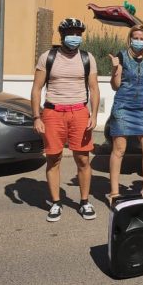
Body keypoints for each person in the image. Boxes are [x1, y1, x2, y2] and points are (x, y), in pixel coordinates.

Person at [31, 18, 100, 223]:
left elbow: (94, 88)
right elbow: (36, 88)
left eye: (78, 33)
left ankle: (84, 201)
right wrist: (37, 116)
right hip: (53, 113)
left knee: (83, 159)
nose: (74, 37)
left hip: (79, 112)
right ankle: (55, 203)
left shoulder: (88, 58)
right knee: (53, 158)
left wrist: (94, 115)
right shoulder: (48, 57)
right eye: (71, 33)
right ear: (62, 35)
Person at [107, 25, 143, 205]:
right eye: (135, 37)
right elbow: (115, 85)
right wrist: (115, 69)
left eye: (142, 38)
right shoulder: (121, 56)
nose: (138, 41)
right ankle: (114, 193)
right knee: (119, 149)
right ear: (130, 39)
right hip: (123, 107)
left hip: (142, 109)